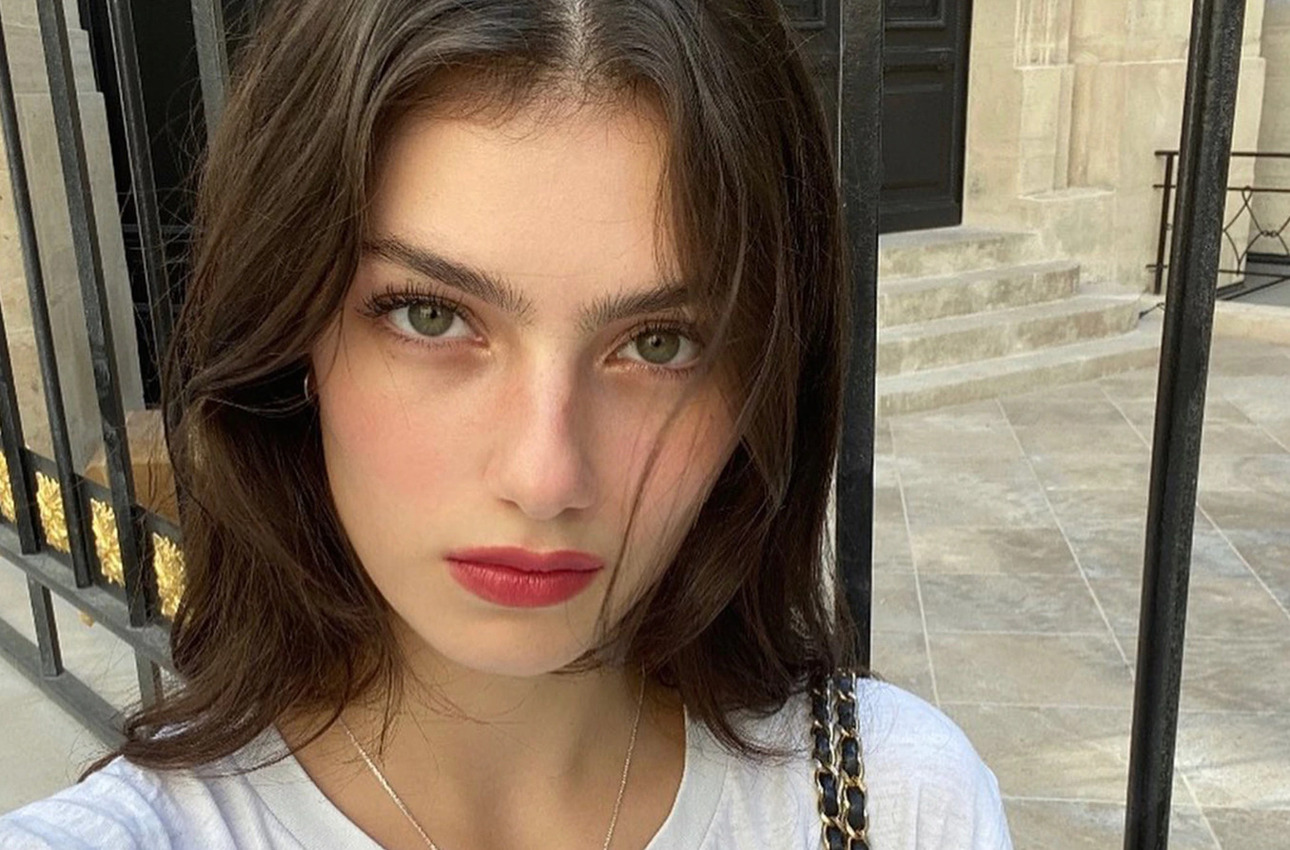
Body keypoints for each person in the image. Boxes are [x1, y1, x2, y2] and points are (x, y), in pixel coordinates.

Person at [0, 0, 1012, 847]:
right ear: (290, 337)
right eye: (430, 317)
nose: (544, 476)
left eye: (659, 343)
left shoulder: (893, 804)